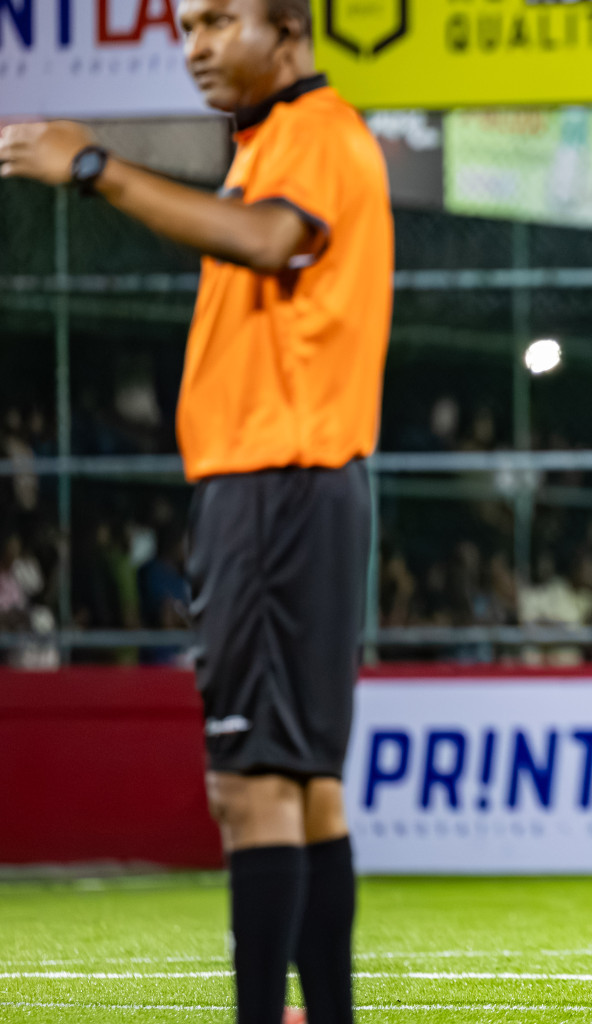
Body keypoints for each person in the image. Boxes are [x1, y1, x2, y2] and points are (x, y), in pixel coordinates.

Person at [0, 0, 392, 1019]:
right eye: (184, 27)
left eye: (219, 20)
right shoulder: (285, 139)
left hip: (275, 484)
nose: (197, 46)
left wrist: (96, 167)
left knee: (252, 784)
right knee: (301, 784)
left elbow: (267, 240)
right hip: (295, 485)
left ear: (290, 31)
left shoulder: (311, 132)